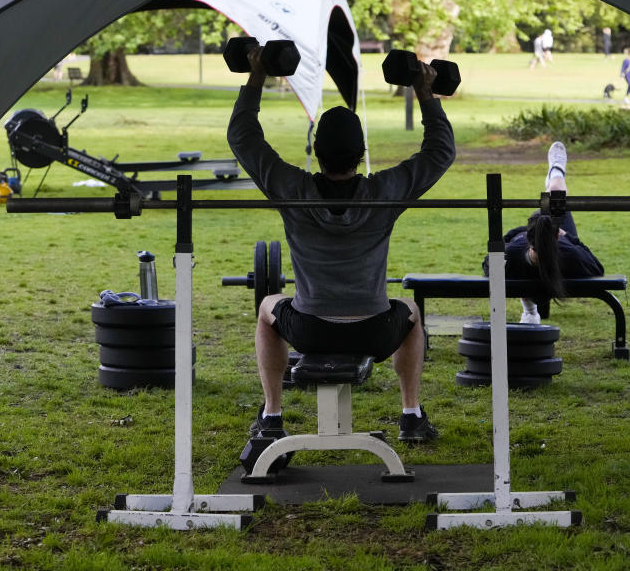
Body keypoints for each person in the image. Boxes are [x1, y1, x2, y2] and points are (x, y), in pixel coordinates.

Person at [227, 46, 455, 443]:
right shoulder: (384, 193)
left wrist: (257, 73)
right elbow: (440, 152)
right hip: (375, 330)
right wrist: (424, 92)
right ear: (360, 154)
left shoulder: (293, 190)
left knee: (268, 307)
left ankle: (272, 415)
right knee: (411, 311)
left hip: (309, 329)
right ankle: (411, 415)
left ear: (317, 153)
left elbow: (243, 137)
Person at [483, 141, 604, 324]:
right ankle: (556, 171)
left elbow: (488, 263)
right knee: (556, 194)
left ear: (529, 235)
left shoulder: (514, 251)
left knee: (553, 200)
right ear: (557, 234)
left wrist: (512, 238)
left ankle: (531, 311)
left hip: (529, 254)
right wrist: (569, 238)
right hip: (556, 251)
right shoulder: (569, 253)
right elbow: (596, 267)